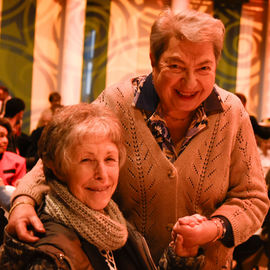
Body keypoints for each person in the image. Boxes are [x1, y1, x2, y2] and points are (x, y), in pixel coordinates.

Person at [7, 8, 269, 269]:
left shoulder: (231, 113)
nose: (190, 82)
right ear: (154, 60)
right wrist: (24, 201)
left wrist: (215, 228)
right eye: (176, 66)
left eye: (204, 68)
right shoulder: (119, 102)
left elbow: (253, 198)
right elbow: (59, 157)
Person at [0, 103, 205, 269]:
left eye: (109, 159)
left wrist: (182, 258)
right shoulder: (49, 255)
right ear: (58, 169)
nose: (102, 174)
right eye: (86, 160)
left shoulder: (114, 225)